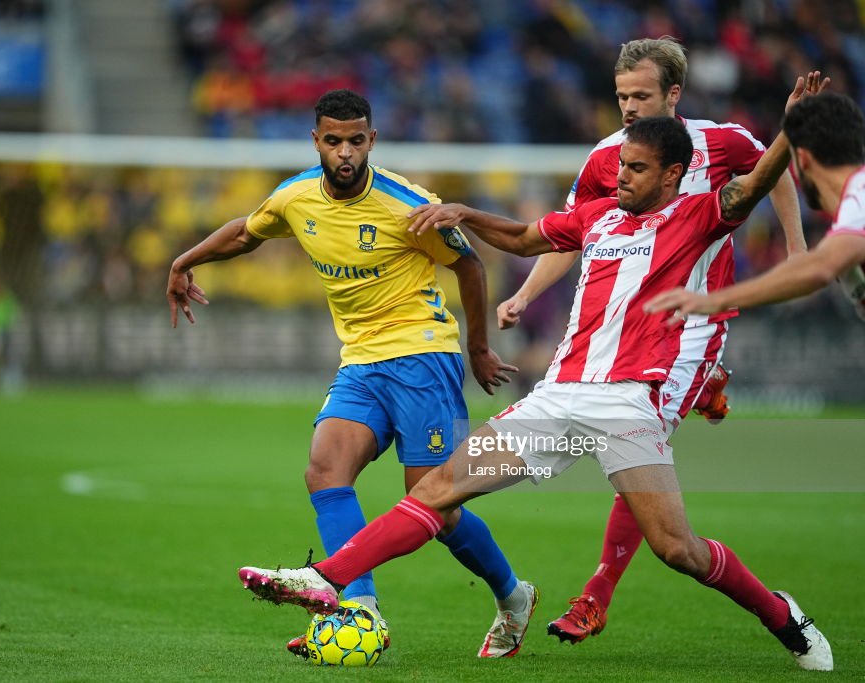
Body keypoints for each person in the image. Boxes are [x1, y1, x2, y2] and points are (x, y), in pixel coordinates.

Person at [238, 75, 833, 672]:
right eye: (621, 164)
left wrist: (790, 127)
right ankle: (325, 580)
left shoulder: (700, 216)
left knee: (678, 550)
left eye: (637, 169)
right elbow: (525, 239)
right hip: (558, 402)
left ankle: (781, 615)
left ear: (673, 176)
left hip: (629, 407)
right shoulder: (597, 216)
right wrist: (466, 212)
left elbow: (754, 185)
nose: (620, 175)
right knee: (437, 490)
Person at [167, 89, 535, 658]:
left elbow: (468, 262)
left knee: (434, 505)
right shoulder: (295, 198)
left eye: (356, 141)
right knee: (324, 469)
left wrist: (479, 348)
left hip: (422, 355)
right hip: (360, 362)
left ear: (372, 141)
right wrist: (184, 260)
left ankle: (513, 595)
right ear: (316, 140)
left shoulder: (405, 204)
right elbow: (246, 232)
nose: (344, 152)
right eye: (333, 140)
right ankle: (357, 612)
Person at [496, 37, 807, 644]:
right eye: (621, 96)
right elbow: (569, 235)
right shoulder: (605, 158)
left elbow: (772, 172)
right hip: (628, 323)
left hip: (694, 321)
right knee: (639, 442)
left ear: (673, 94)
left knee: (643, 439)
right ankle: (706, 387)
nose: (630, 107)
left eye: (641, 95)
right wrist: (526, 296)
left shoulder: (724, 142)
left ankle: (596, 596)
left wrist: (796, 251)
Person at [646, 92, 865, 321]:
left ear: (802, 159)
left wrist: (712, 301)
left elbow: (819, 269)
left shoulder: (859, 198)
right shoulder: (851, 209)